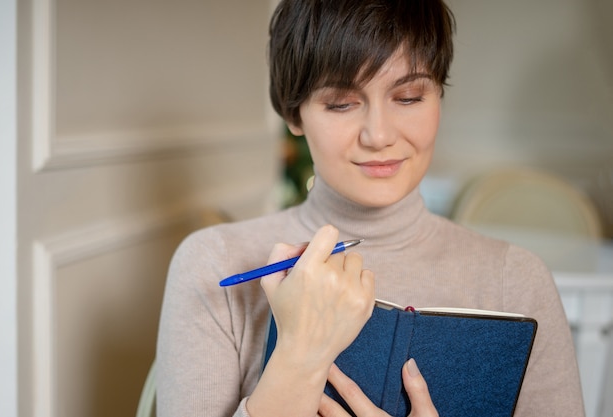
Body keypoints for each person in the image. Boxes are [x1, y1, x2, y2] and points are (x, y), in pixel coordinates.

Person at [156, 0, 585, 416]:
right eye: (342, 103)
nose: (378, 135)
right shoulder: (212, 264)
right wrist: (300, 353)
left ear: (439, 96)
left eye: (409, 97)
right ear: (294, 113)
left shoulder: (517, 280)